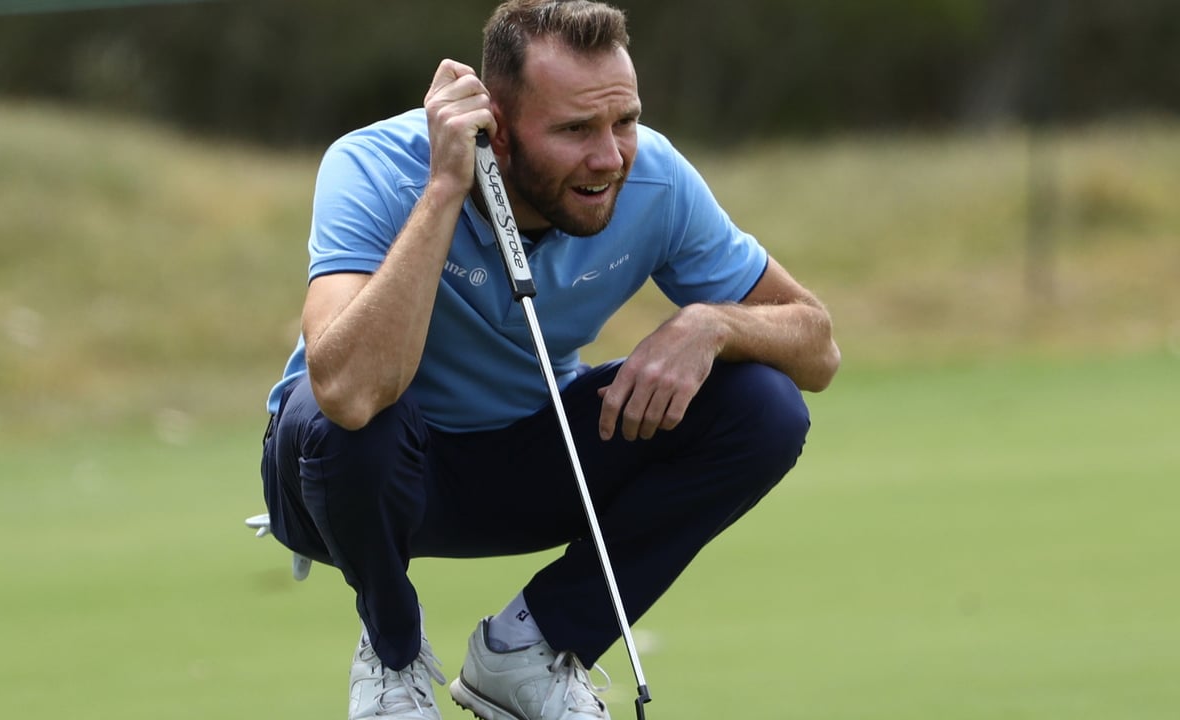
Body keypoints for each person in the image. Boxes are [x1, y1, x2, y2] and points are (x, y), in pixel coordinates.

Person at [259, 1, 840, 718]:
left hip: (530, 458)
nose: (610, 156)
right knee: (345, 416)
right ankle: (393, 656)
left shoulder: (653, 176)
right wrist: (445, 189)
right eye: (574, 130)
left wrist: (713, 323)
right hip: (348, 483)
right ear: (495, 130)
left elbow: (817, 345)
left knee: (764, 406)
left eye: (623, 120)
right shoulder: (374, 165)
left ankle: (532, 649)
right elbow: (346, 392)